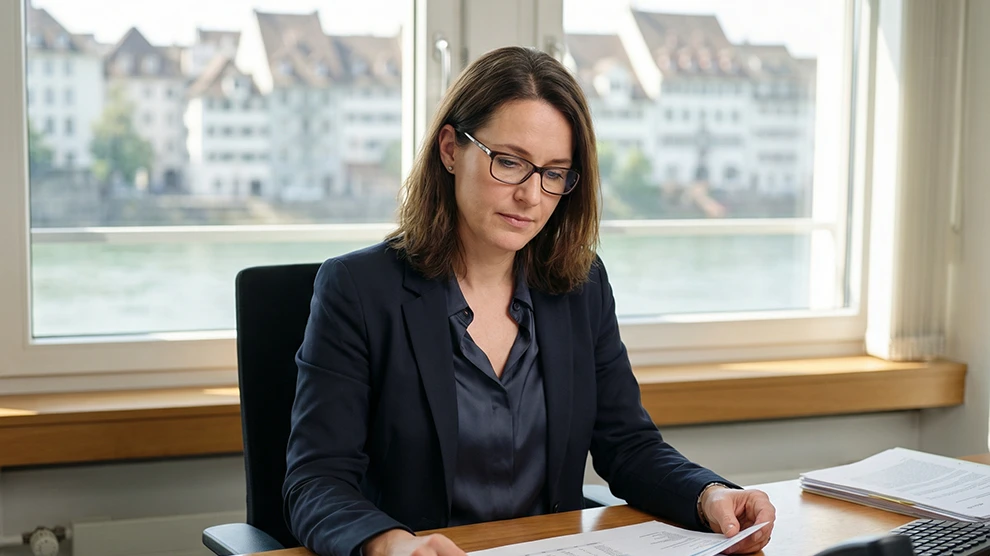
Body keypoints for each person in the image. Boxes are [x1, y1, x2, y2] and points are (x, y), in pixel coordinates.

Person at [283, 46, 776, 556]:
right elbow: (316, 480)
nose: (531, 196)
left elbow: (628, 445)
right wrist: (391, 545)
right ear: (450, 149)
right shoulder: (358, 289)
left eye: (554, 173)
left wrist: (709, 495)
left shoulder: (582, 286)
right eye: (510, 162)